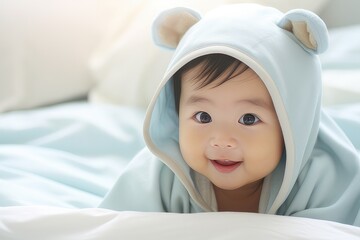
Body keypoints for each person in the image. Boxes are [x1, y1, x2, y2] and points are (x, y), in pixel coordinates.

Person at [99, 3, 360, 226]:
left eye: (248, 119)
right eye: (203, 117)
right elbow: (114, 226)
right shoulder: (160, 174)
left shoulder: (327, 180)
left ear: (292, 124)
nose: (222, 140)